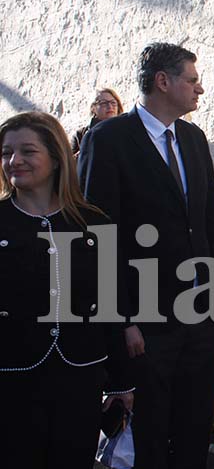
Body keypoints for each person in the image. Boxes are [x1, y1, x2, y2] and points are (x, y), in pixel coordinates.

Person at [78, 42, 214, 469]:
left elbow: (209, 224)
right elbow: (98, 236)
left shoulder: (193, 139)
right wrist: (122, 319)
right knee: (149, 437)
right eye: (192, 80)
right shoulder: (108, 140)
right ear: (163, 81)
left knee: (192, 429)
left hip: (198, 316)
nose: (200, 89)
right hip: (145, 323)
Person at [0, 111, 133, 469]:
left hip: (79, 378)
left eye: (28, 151)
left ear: (57, 158)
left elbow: (111, 304)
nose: (15, 161)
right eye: (7, 152)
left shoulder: (93, 222)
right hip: (11, 381)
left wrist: (121, 383)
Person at [71, 87, 124, 154]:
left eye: (113, 102)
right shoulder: (80, 136)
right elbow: (69, 159)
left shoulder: (126, 131)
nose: (110, 106)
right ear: (93, 108)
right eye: (104, 103)